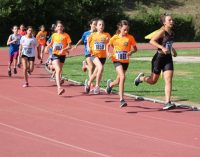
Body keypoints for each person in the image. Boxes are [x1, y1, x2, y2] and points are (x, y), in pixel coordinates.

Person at [134, 13, 177, 110]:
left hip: (168, 58)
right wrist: (162, 47)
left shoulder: (172, 32)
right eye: (169, 20)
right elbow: (152, 41)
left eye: (172, 20)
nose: (171, 21)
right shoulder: (162, 31)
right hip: (158, 59)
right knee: (153, 81)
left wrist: (172, 50)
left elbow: (168, 43)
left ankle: (167, 102)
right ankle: (140, 78)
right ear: (164, 22)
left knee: (168, 80)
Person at [106, 20, 137, 107]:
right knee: (123, 77)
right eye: (124, 29)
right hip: (116, 60)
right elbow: (108, 45)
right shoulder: (115, 37)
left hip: (125, 61)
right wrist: (108, 52)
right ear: (120, 28)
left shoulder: (130, 37)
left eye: (127, 29)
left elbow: (135, 48)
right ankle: (121, 100)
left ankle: (110, 85)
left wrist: (131, 52)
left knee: (119, 80)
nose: (126, 31)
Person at [45, 21, 72, 95]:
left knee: (59, 70)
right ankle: (59, 88)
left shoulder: (66, 35)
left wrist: (64, 50)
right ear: (56, 28)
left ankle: (50, 66)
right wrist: (47, 47)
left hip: (62, 55)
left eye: (61, 26)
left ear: (63, 28)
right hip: (55, 54)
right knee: (58, 69)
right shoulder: (54, 35)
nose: (60, 28)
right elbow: (51, 43)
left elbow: (69, 46)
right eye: (58, 26)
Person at [85, 19, 111, 94]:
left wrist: (109, 40)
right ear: (96, 26)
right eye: (99, 25)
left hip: (103, 56)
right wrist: (88, 47)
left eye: (103, 25)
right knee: (100, 68)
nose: (101, 26)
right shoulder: (92, 35)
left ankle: (89, 83)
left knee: (96, 72)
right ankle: (97, 86)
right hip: (94, 55)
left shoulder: (107, 35)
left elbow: (110, 43)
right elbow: (87, 42)